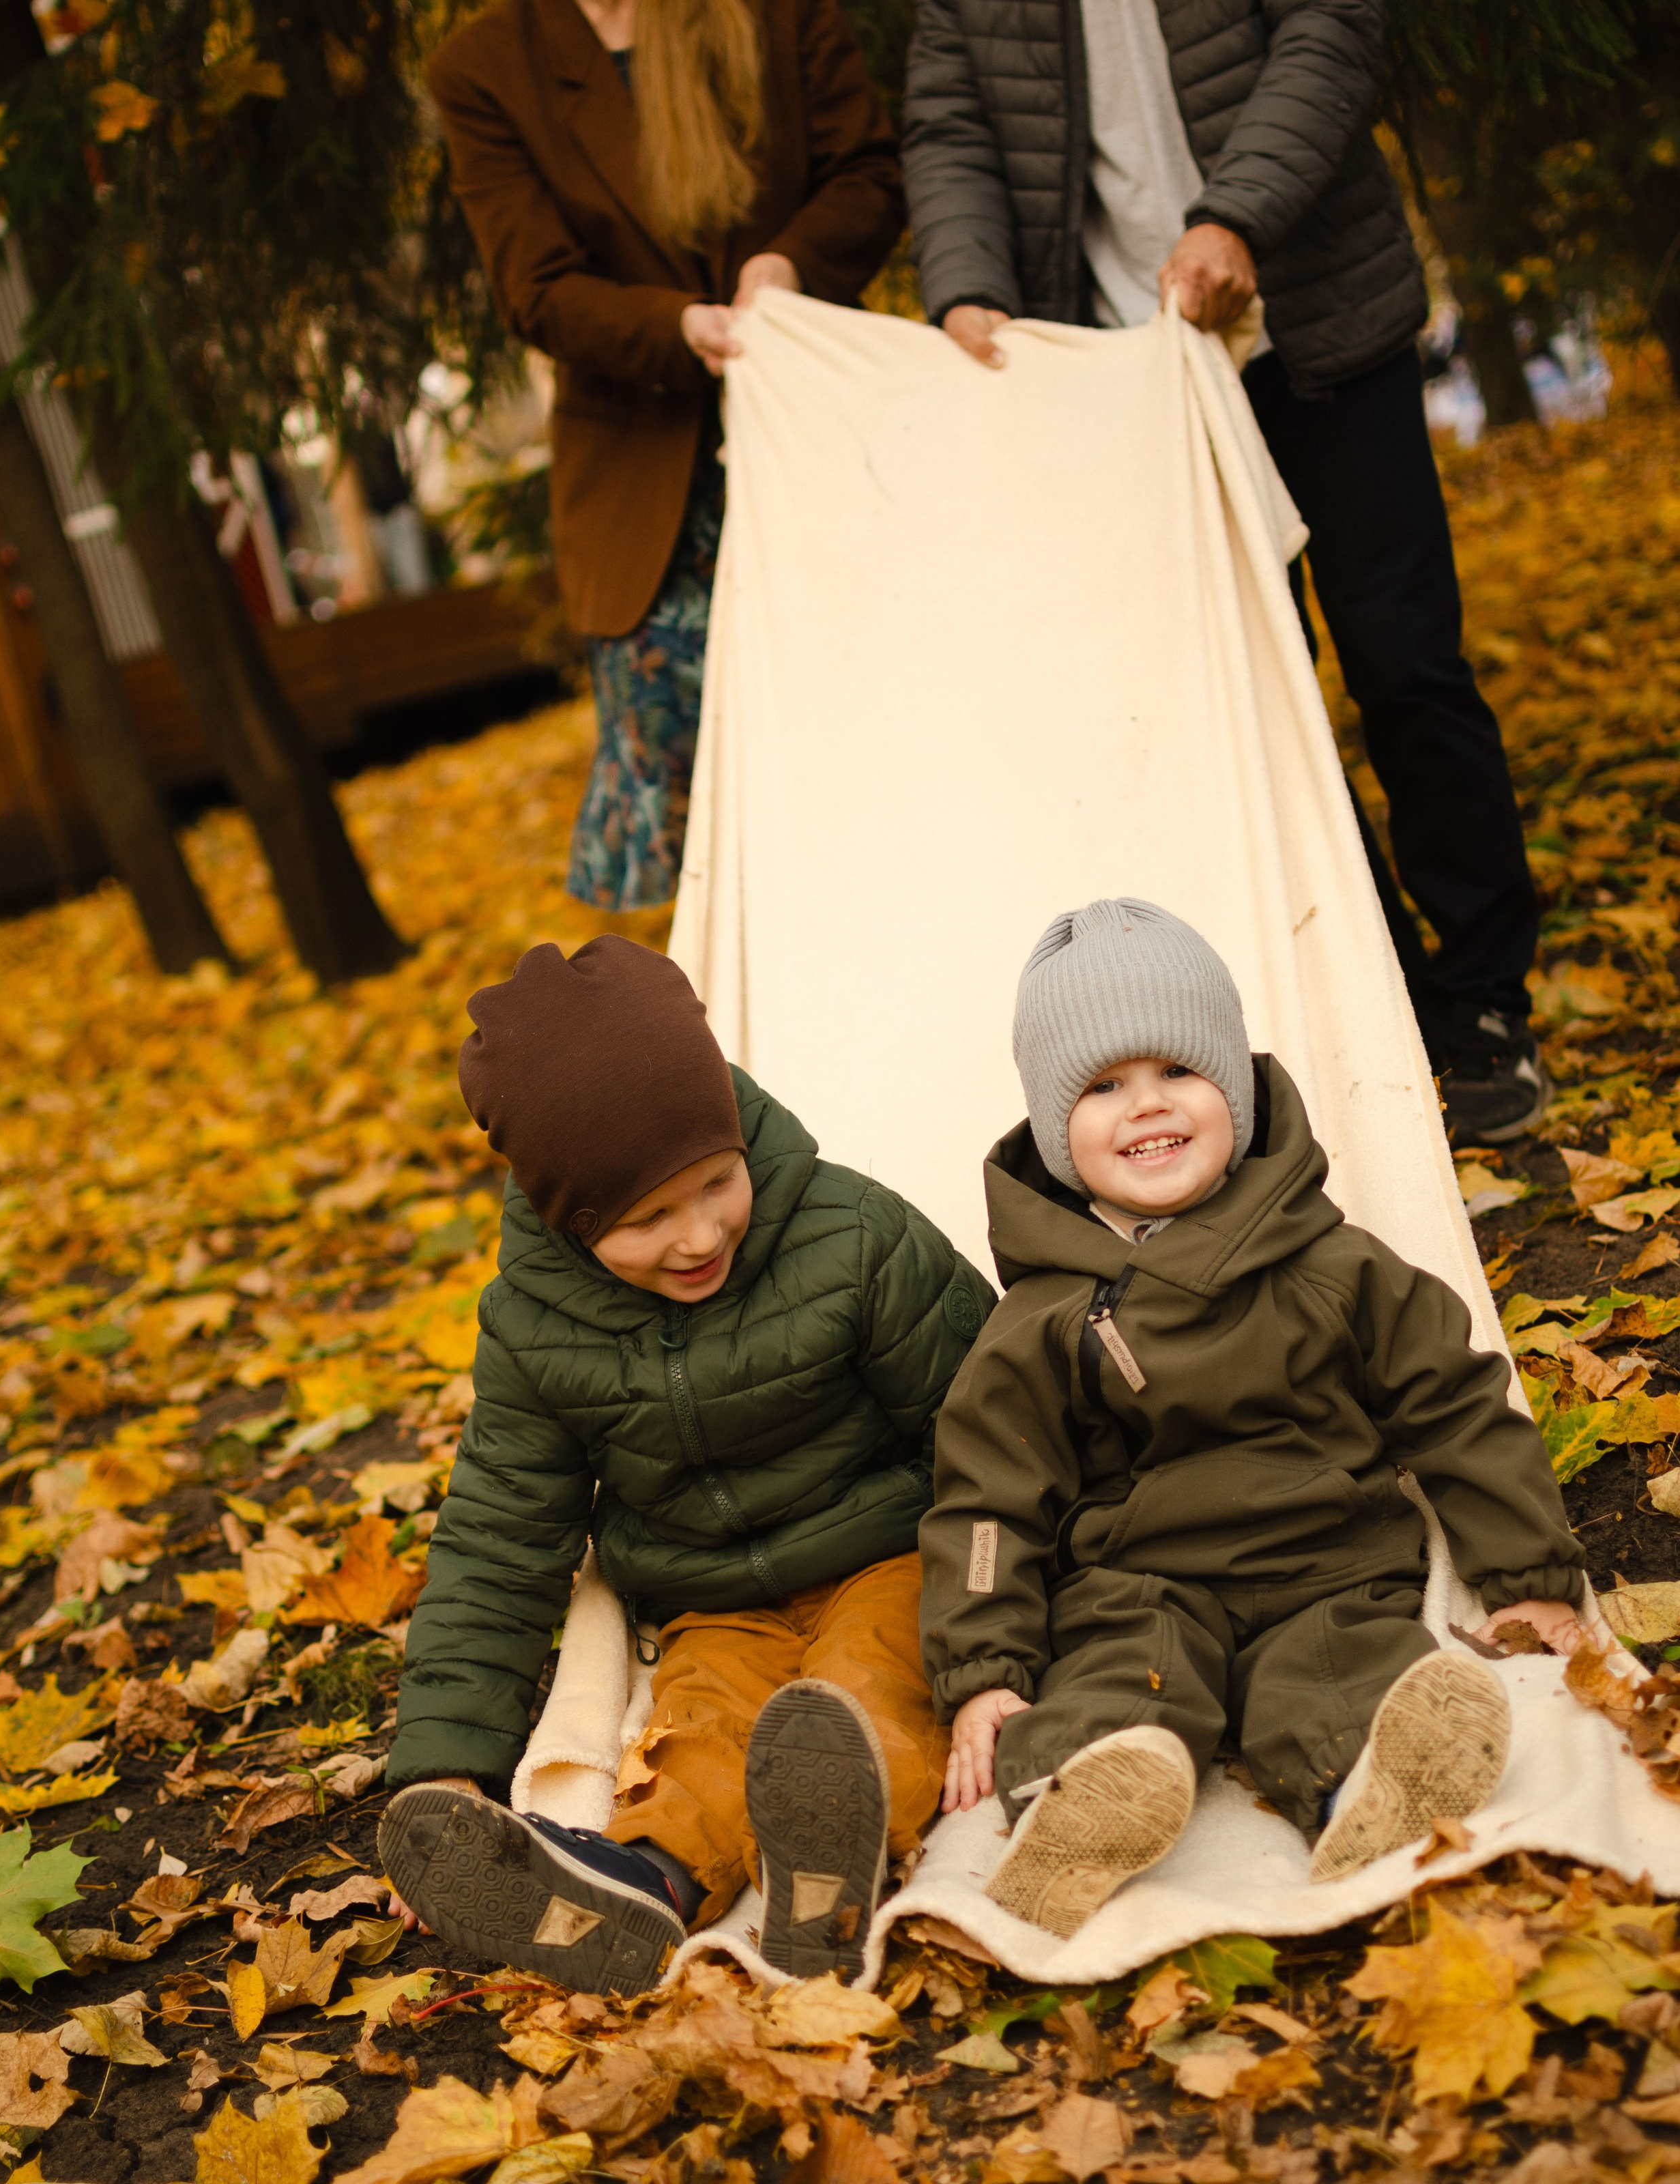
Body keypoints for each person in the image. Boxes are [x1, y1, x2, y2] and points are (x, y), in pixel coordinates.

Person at [901, 0, 1547, 1144]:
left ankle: (1491, 998)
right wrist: (965, 282)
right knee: (1258, 707)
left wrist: (1236, 215)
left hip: (1322, 323)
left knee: (1404, 664)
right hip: (1134, 372)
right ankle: (1385, 1002)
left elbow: (1334, 33)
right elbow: (951, 126)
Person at [920, 900, 1584, 1938]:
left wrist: (1530, 1574)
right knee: (1118, 1682)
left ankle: (1369, 1788)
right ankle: (1081, 1803)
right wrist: (983, 1671)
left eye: (1178, 1073)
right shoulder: (1044, 1317)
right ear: (1058, 1133)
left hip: (1325, 1563)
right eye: (1102, 1088)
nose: (1146, 1108)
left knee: (1345, 1672)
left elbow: (1455, 1404)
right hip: (1139, 1581)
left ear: (1232, 1085)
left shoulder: (1331, 1264)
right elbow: (987, 1502)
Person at [380, 936, 994, 1990]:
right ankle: (644, 1884)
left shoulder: (853, 1238)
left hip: (889, 1552)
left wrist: (1001, 1628)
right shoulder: (536, 1324)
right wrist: (449, 1758)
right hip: (712, 1601)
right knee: (704, 1731)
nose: (698, 1233)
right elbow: (499, 1532)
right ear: (571, 1226)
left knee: (868, 1692)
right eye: (644, 1219)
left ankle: (828, 1875)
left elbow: (989, 1432)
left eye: (716, 1182)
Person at [426, 0, 903, 913]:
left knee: (871, 774)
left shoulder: (776, 15)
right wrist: (680, 328)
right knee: (706, 859)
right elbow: (539, 289)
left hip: (825, 453)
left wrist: (788, 269)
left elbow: (868, 173)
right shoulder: (484, 68)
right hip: (647, 503)